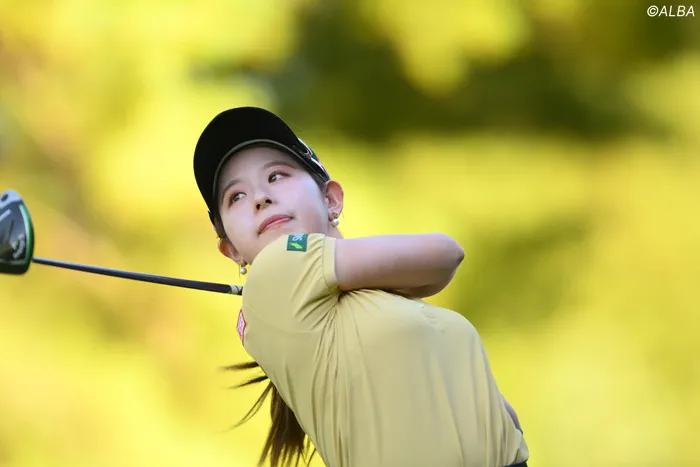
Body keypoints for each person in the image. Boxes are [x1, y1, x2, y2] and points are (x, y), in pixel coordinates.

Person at [192, 106, 530, 467]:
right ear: (231, 250)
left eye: (276, 176)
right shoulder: (276, 266)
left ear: (330, 198)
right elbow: (445, 253)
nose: (260, 197)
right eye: (236, 197)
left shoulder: (379, 301)